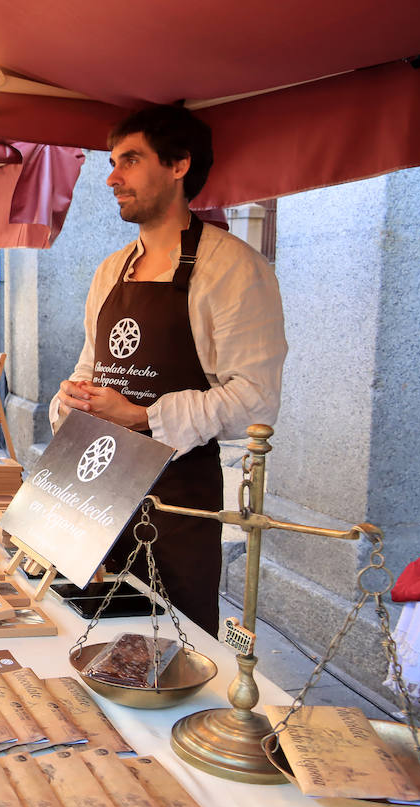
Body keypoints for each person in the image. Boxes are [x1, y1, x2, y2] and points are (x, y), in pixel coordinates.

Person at [51, 104, 287, 636]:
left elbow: (256, 399)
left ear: (179, 165)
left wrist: (141, 416)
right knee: (90, 639)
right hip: (97, 488)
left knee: (171, 651)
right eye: (113, 162)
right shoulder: (111, 269)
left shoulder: (234, 269)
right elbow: (91, 362)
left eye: (130, 160)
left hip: (177, 501)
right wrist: (73, 399)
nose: (112, 177)